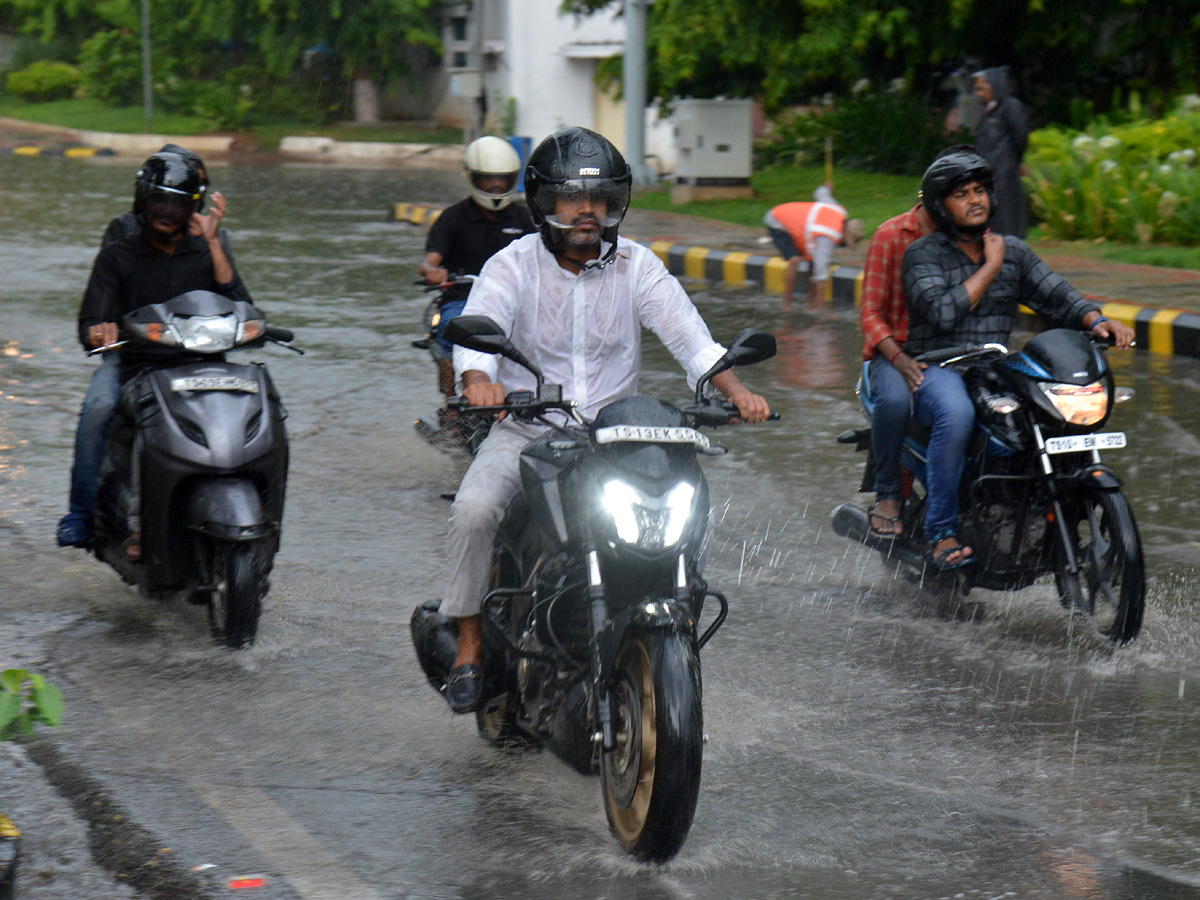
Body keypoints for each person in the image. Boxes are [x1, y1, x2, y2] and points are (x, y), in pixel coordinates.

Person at [438, 126, 771, 713]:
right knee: (474, 508)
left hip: (617, 437)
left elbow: (690, 338)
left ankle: (676, 629)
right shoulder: (511, 265)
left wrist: (737, 390)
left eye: (599, 197)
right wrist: (479, 381)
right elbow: (478, 331)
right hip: (530, 431)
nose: (587, 210)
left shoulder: (639, 267)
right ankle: (468, 644)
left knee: (688, 503)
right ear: (544, 200)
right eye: (572, 196)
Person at [901, 146, 1134, 571]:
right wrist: (990, 267)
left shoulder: (1014, 250)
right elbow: (942, 311)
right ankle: (942, 534)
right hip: (939, 366)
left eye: (979, 191)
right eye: (961, 194)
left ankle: (1045, 508)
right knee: (956, 416)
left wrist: (1097, 320)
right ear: (940, 205)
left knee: (1048, 410)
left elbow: (1055, 293)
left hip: (994, 367)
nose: (975, 200)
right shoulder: (923, 254)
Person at [56, 151, 251, 550]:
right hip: (135, 360)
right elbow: (92, 317)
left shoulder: (207, 244)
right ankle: (81, 512)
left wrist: (214, 243)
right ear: (143, 201)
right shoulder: (120, 247)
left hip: (201, 361)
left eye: (179, 202)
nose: (168, 211)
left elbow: (240, 302)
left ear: (194, 204)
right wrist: (100, 330)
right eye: (160, 201)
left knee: (258, 400)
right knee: (97, 408)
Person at [418, 136, 533, 405]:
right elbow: (430, 260)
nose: (496, 185)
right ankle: (454, 406)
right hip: (461, 299)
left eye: (502, 179)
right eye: (488, 178)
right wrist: (432, 270)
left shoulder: (525, 218)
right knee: (450, 329)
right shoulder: (452, 218)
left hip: (514, 301)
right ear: (472, 177)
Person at [858, 178, 938, 538]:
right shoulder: (890, 236)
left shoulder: (970, 238)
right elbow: (870, 315)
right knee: (894, 401)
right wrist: (899, 357)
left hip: (947, 354)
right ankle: (888, 495)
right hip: (892, 355)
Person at [763, 185, 864, 311]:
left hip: (797, 224)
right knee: (794, 260)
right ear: (845, 235)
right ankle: (787, 306)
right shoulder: (828, 237)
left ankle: (810, 305)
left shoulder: (839, 210)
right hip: (778, 221)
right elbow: (821, 274)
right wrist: (823, 310)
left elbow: (821, 193)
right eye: (845, 243)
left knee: (812, 263)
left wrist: (826, 187)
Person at [973, 67, 1029, 238]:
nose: (979, 94)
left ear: (994, 86)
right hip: (990, 168)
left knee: (1005, 211)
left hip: (1004, 169)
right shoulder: (990, 110)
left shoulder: (1010, 107)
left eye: (982, 89)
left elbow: (1021, 136)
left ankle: (1008, 245)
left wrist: (1014, 160)